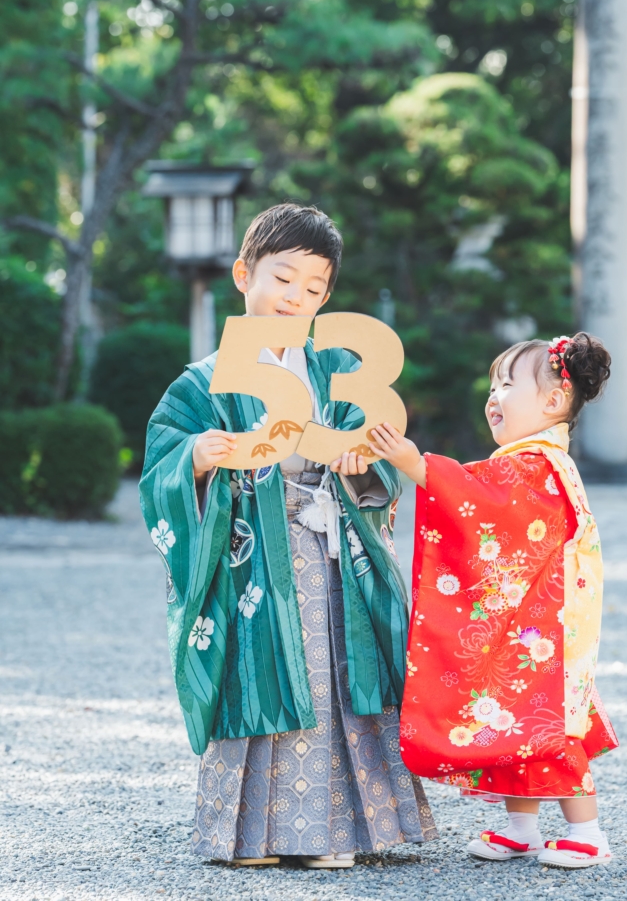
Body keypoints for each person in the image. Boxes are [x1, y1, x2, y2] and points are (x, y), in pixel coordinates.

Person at [139, 203, 436, 869]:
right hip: (253, 559)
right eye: (283, 279)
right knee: (257, 672)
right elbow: (162, 457)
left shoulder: (335, 371)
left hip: (329, 549)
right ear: (244, 274)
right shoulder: (202, 379)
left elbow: (375, 454)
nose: (294, 298)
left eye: (313, 289)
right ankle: (249, 837)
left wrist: (364, 462)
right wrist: (196, 459)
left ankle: (339, 834)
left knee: (333, 679)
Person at [367, 333, 618, 869]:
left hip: (546, 627)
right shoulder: (534, 461)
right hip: (536, 619)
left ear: (552, 401)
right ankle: (520, 826)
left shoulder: (538, 463)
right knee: (511, 714)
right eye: (492, 383)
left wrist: (417, 464)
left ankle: (589, 832)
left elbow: (484, 501)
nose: (493, 394)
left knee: (551, 722)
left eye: (507, 383)